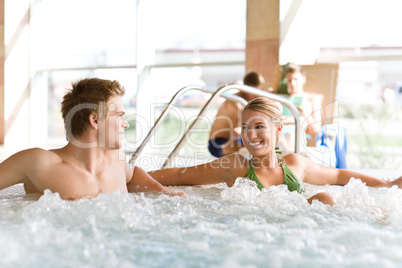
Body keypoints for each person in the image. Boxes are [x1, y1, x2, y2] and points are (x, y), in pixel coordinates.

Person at [149, 97, 402, 206]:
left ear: (278, 128)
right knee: (325, 198)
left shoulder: (295, 164)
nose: (250, 135)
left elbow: (337, 176)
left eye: (259, 127)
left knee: (326, 198)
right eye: (246, 127)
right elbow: (181, 174)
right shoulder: (236, 165)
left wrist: (387, 183)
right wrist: (133, 177)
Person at [0, 78, 185, 200]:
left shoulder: (115, 160)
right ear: (95, 120)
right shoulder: (39, 162)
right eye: (120, 115)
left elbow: (133, 173)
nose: (125, 124)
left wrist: (164, 193)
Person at [208, 71, 266, 157]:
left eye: (259, 90)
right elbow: (250, 121)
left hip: (236, 139)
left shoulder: (250, 101)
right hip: (217, 142)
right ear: (246, 89)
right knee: (249, 148)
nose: (256, 95)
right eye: (253, 91)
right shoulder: (235, 101)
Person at [280, 63, 322, 147]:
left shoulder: (311, 100)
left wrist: (306, 115)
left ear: (303, 79)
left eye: (296, 79)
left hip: (295, 139)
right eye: (289, 80)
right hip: (279, 134)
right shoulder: (281, 98)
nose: (292, 83)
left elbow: (316, 133)